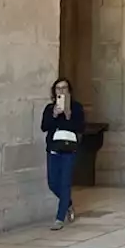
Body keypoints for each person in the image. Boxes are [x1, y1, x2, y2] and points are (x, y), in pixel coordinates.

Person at [41, 77, 85, 230]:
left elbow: (80, 127)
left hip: (69, 149)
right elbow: (44, 126)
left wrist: (68, 115)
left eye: (64, 88)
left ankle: (60, 218)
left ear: (69, 90)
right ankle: (68, 203)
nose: (61, 91)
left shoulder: (77, 108)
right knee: (53, 182)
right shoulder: (49, 108)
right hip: (54, 148)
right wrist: (54, 114)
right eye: (58, 88)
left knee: (65, 182)